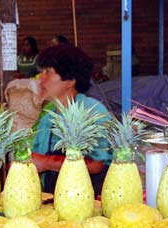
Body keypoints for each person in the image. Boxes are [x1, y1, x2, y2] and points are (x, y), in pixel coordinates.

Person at [31, 44, 112, 193]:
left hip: (88, 199)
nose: (40, 79)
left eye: (48, 72)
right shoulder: (47, 117)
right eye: (41, 72)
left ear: (70, 80)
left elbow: (97, 165)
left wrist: (47, 163)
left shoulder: (92, 111)